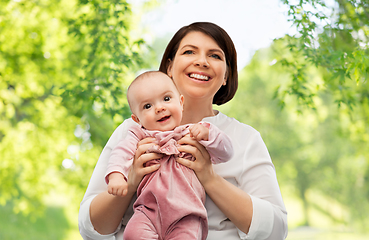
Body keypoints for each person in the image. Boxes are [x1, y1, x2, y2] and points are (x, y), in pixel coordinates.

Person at [79, 22, 288, 240]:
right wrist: (131, 181)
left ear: (226, 75)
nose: (201, 61)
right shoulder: (132, 131)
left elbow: (276, 231)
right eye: (189, 52)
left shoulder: (245, 138)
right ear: (169, 66)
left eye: (215, 56)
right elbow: (90, 229)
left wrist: (210, 178)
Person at [105, 71, 233, 239]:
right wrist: (116, 176)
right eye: (147, 106)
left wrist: (208, 135)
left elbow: (226, 153)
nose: (160, 108)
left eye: (166, 99)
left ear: (181, 102)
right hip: (147, 212)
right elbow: (120, 153)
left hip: (187, 214)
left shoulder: (193, 132)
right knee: (132, 234)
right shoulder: (139, 137)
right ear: (137, 120)